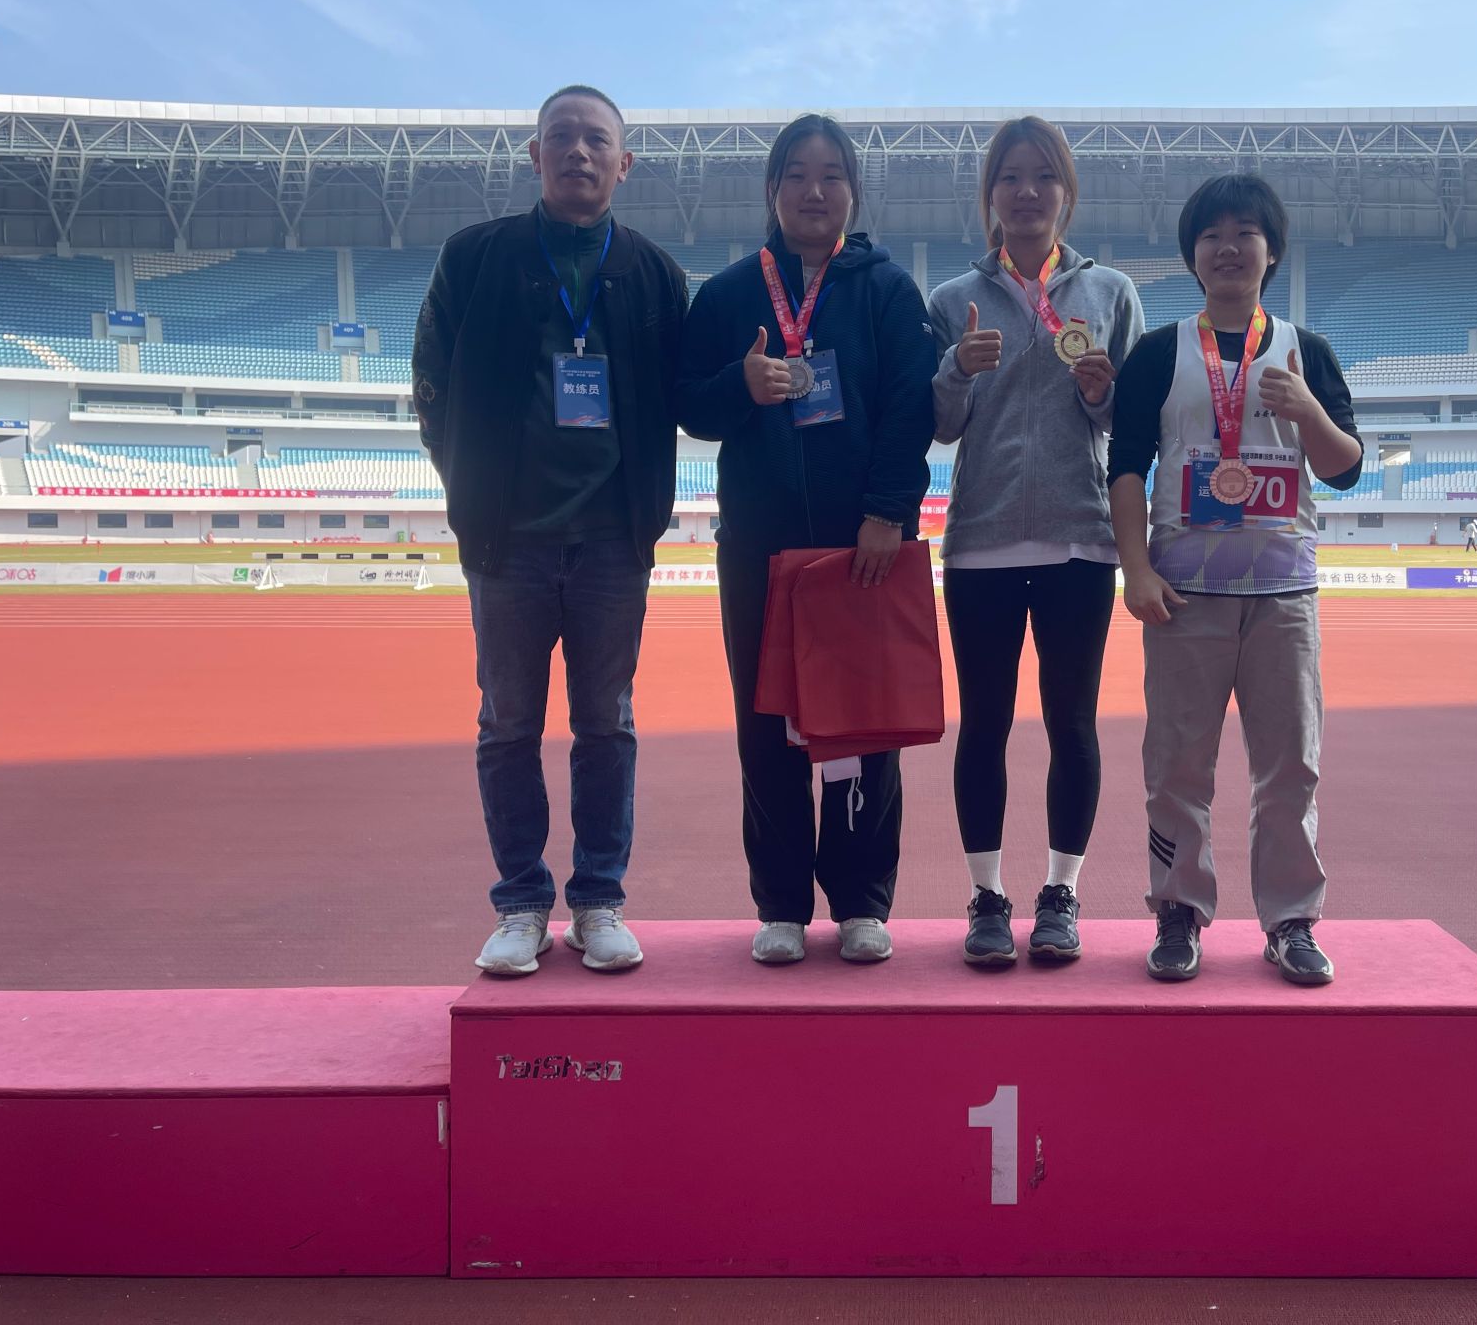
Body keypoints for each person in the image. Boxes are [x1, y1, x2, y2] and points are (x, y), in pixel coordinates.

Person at [412, 85, 688, 977]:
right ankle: (522, 904)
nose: (578, 151)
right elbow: (430, 383)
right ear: (534, 155)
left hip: (613, 541)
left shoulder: (653, 274)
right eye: (560, 137)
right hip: (509, 543)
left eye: (596, 139)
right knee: (508, 726)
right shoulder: (475, 257)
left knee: (606, 725)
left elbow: (683, 394)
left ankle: (599, 900)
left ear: (624, 163)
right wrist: (472, 486)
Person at [676, 113, 936, 966]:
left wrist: (888, 511)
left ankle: (861, 900)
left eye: (831, 175)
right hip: (759, 544)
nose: (813, 191)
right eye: (796, 174)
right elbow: (690, 405)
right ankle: (781, 902)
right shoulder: (727, 295)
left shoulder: (887, 289)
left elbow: (910, 405)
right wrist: (740, 384)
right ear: (772, 190)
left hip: (863, 542)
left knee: (866, 724)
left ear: (854, 192)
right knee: (766, 723)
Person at [1106, 173, 1365, 985]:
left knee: (1290, 766)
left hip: (1283, 595)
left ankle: (1291, 920)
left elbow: (1346, 468)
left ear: (1271, 251)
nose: (1227, 247)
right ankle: (1178, 910)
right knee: (1177, 766)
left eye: (1244, 233)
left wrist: (1309, 412)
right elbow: (1125, 468)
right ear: (1192, 254)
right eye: (1211, 234)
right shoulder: (1158, 355)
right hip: (1182, 595)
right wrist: (1136, 570)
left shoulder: (1305, 351)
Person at [927, 116, 1144, 967]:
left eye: (1043, 176)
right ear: (990, 194)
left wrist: (1099, 393)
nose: (1026, 192)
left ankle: (1061, 893)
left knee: (1072, 725)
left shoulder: (1110, 294)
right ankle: (986, 896)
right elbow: (939, 426)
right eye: (1010, 177)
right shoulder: (951, 299)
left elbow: (1129, 427)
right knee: (982, 726)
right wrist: (957, 369)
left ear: (1066, 192)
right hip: (979, 542)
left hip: (1078, 542)